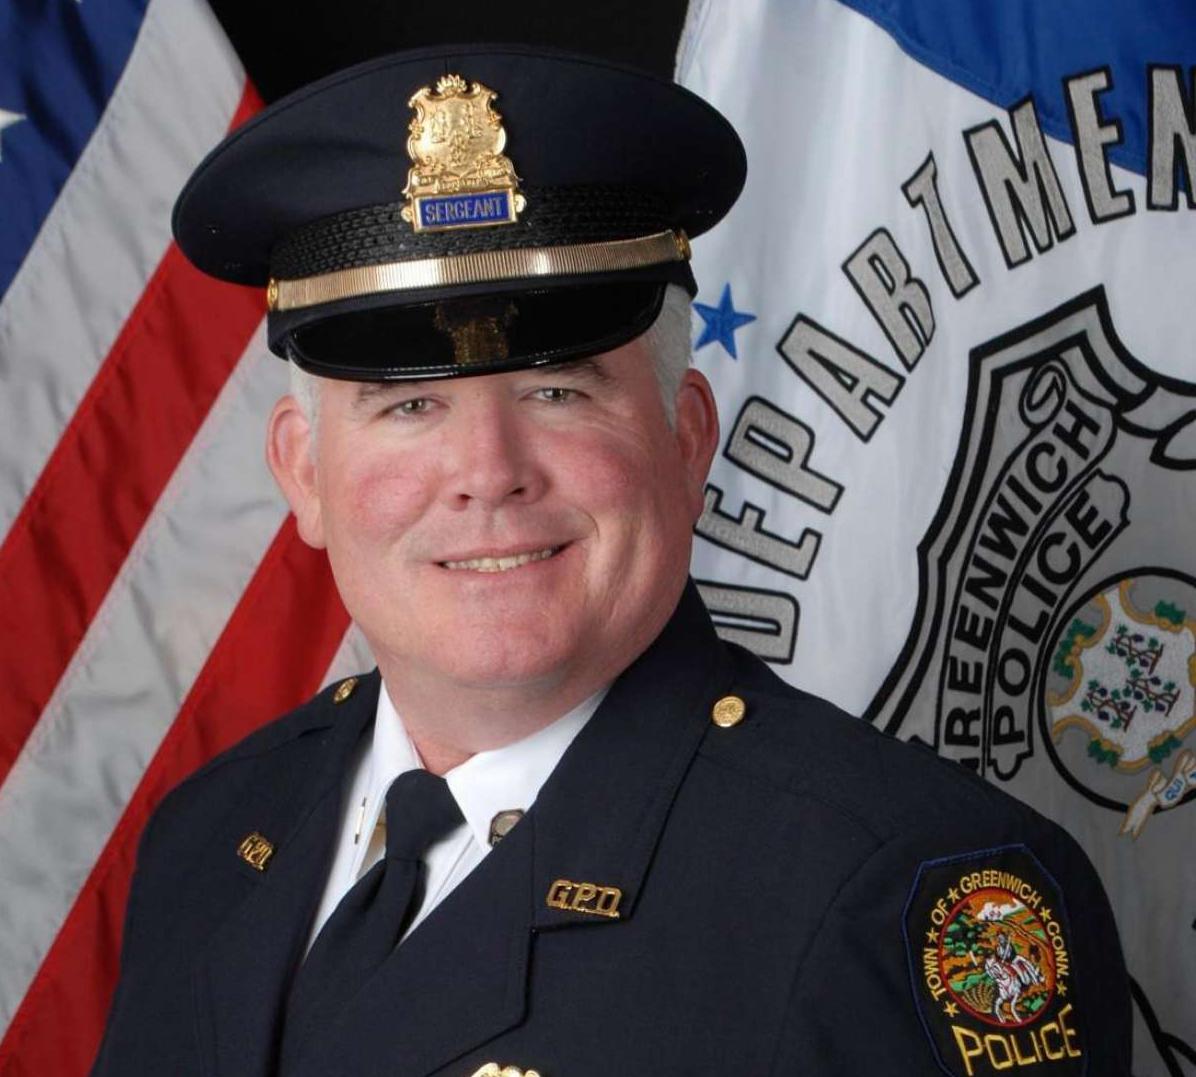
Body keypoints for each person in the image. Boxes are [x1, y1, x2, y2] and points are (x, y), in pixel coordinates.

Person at [90, 45, 1131, 1077]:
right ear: (303, 473)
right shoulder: (213, 835)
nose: (485, 474)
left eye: (556, 390)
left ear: (684, 440)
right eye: (409, 405)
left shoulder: (904, 896)